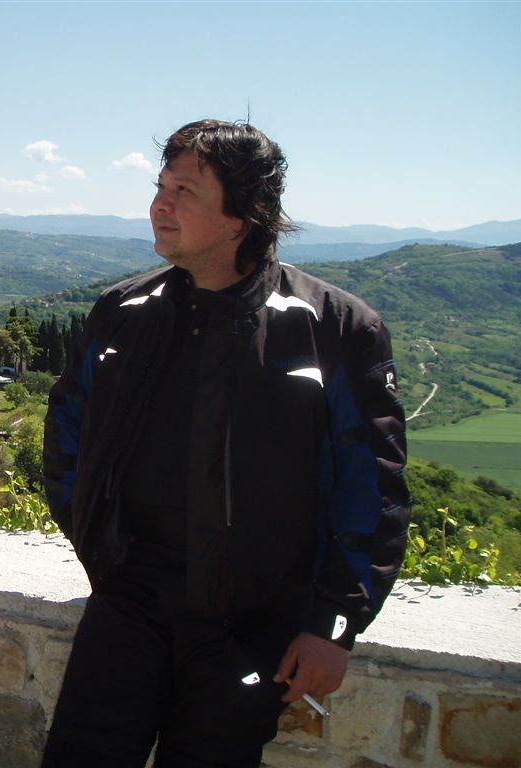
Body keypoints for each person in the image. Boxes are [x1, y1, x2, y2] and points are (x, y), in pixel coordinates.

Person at [41, 119, 411, 768]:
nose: (159, 205)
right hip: (127, 607)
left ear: (242, 215)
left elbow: (372, 488)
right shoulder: (121, 314)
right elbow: (65, 439)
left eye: (183, 191)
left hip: (251, 629)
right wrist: (100, 550)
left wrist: (335, 624)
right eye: (159, 187)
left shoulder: (334, 330)